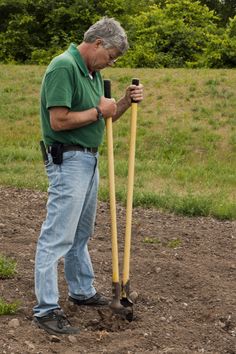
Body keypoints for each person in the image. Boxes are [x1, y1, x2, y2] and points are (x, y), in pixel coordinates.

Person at [33, 17, 143, 335]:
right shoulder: (63, 67)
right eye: (111, 56)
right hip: (67, 160)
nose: (111, 62)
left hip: (89, 161)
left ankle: (81, 291)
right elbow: (59, 121)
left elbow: (102, 120)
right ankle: (46, 309)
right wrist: (98, 111)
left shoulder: (93, 73)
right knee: (57, 237)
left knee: (81, 235)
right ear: (97, 44)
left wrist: (123, 102)